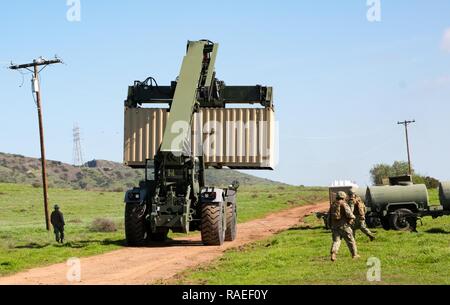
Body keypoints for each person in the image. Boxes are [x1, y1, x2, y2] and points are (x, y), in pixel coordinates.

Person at [328, 191, 359, 262]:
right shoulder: (344, 204)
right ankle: (354, 255)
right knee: (351, 241)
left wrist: (330, 225)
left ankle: (333, 254)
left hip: (335, 227)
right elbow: (349, 214)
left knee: (336, 241)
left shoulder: (333, 205)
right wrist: (352, 219)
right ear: (344, 197)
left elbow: (329, 217)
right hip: (344, 227)